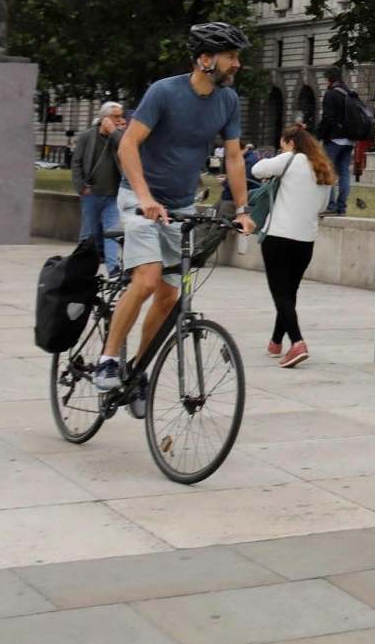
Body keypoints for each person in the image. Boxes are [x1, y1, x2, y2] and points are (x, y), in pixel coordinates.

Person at [91, 23, 256, 396]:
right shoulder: (164, 92)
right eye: (231, 57)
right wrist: (145, 196)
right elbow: (127, 145)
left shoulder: (228, 101)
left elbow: (233, 156)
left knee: (169, 295)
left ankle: (136, 371)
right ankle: (108, 358)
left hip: (181, 204)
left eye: (236, 57)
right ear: (205, 59)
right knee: (147, 280)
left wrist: (242, 209)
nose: (237, 64)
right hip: (140, 200)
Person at [251, 122, 334, 367]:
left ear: (291, 143)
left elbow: (256, 169)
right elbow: (322, 207)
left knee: (280, 294)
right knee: (289, 292)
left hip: (278, 237)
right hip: (305, 240)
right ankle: (276, 341)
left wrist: (283, 156)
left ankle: (297, 343)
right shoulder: (324, 169)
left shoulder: (291, 160)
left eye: (283, 145)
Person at [70, 102, 126, 277]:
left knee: (112, 232)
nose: (120, 120)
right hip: (91, 194)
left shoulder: (119, 136)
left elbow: (127, 146)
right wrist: (81, 187)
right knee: (88, 233)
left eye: (120, 116)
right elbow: (76, 163)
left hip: (113, 194)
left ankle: (113, 268)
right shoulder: (88, 136)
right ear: (105, 118)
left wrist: (114, 132)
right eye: (116, 116)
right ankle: (81, 268)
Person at [313, 66, 369, 216]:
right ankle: (341, 207)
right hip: (350, 140)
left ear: (329, 79)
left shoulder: (331, 94)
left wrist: (317, 136)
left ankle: (330, 206)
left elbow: (328, 119)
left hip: (334, 139)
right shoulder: (349, 93)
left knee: (328, 170)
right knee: (344, 172)